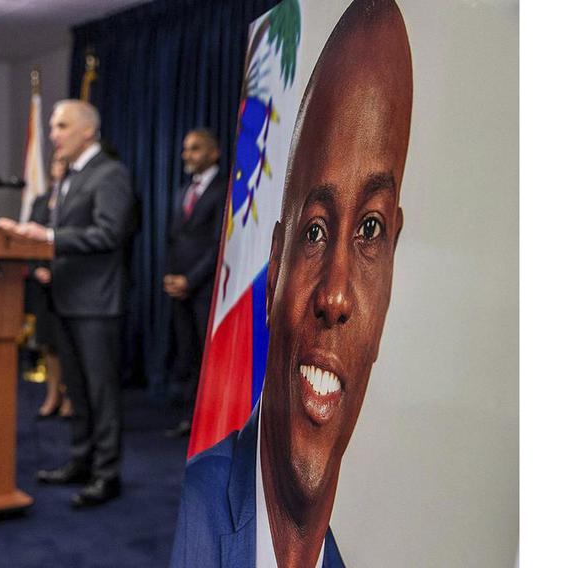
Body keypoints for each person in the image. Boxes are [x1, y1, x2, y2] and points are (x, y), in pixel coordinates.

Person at [170, 0, 413, 565]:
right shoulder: (189, 526)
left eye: (371, 228)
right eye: (315, 230)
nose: (334, 295)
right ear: (274, 266)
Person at [0, 100, 134, 508]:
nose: (53, 134)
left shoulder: (110, 174)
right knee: (76, 388)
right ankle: (81, 460)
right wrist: (34, 236)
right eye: (52, 127)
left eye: (61, 126)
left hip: (96, 303)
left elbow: (110, 234)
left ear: (88, 130)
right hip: (66, 298)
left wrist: (48, 238)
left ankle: (107, 474)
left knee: (101, 392)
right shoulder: (70, 178)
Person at [163, 129, 227, 438]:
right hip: (181, 289)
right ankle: (191, 420)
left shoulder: (224, 190)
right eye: (186, 149)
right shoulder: (184, 191)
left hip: (207, 289)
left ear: (214, 152)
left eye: (195, 148)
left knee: (207, 357)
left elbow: (219, 245)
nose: (187, 155)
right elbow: (177, 239)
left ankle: (212, 422)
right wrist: (173, 276)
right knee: (186, 355)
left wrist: (191, 279)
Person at [27, 155, 73, 419]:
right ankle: (52, 394)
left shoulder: (75, 198)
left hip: (68, 281)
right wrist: (36, 269)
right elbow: (30, 241)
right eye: (55, 163)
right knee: (49, 344)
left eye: (63, 163)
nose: (59, 167)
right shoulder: (41, 201)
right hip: (43, 285)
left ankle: (70, 397)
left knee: (68, 344)